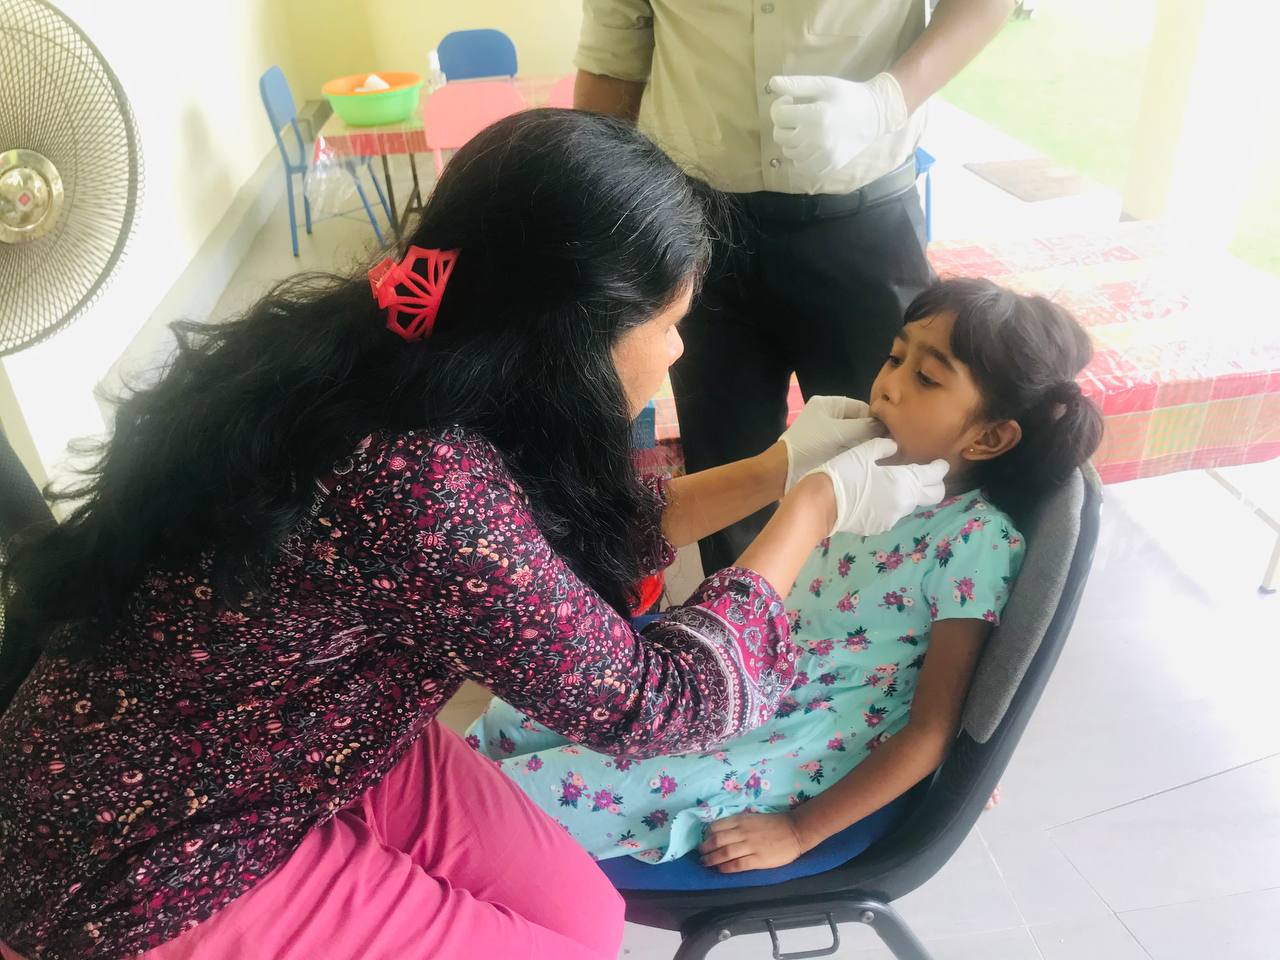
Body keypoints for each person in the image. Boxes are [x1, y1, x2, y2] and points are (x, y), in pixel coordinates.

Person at [0, 110, 947, 960]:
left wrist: (777, 467)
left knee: (585, 917)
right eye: (668, 324)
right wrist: (812, 509)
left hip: (285, 737)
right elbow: (659, 703)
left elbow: (543, 539)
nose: (680, 352)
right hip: (141, 854)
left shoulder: (401, 342)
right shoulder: (415, 478)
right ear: (575, 334)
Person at [469, 279, 1103, 872]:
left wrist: (803, 829)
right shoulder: (869, 475)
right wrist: (787, 469)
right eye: (895, 357)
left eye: (928, 378)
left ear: (989, 439)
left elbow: (934, 729)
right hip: (756, 670)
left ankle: (441, 864)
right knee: (508, 720)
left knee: (525, 803)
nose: (887, 387)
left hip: (802, 733)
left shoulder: (976, 541)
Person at [576, 0, 1017, 574]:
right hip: (696, 221)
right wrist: (591, 214)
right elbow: (617, 48)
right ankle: (739, 650)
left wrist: (885, 99)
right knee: (726, 463)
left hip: (864, 216)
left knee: (896, 451)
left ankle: (880, 642)